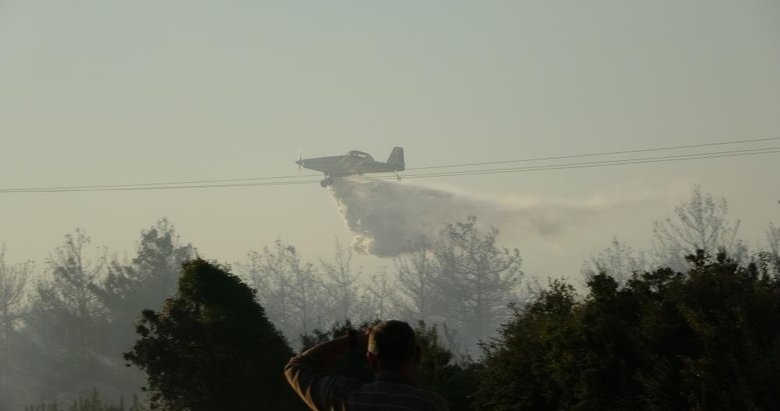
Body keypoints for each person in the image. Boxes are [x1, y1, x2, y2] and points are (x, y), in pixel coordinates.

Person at [284, 320, 449, 411]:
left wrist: (354, 340)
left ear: (370, 359)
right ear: (418, 355)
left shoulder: (343, 396)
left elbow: (296, 367)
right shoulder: (429, 404)